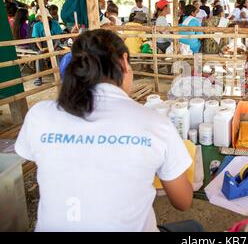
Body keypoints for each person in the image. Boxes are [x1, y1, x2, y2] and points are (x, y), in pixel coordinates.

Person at [14, 29, 199, 232]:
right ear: (124, 62)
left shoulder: (40, 115)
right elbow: (183, 202)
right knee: (194, 228)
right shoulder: (154, 123)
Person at [32, 8, 64, 86]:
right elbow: (37, 40)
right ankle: (38, 78)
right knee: (39, 55)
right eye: (40, 17)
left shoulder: (55, 23)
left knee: (59, 53)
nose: (41, 18)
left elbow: (58, 38)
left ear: (48, 17)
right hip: (43, 45)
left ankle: (61, 76)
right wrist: (41, 49)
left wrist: (53, 48)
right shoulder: (37, 25)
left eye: (43, 16)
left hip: (55, 44)